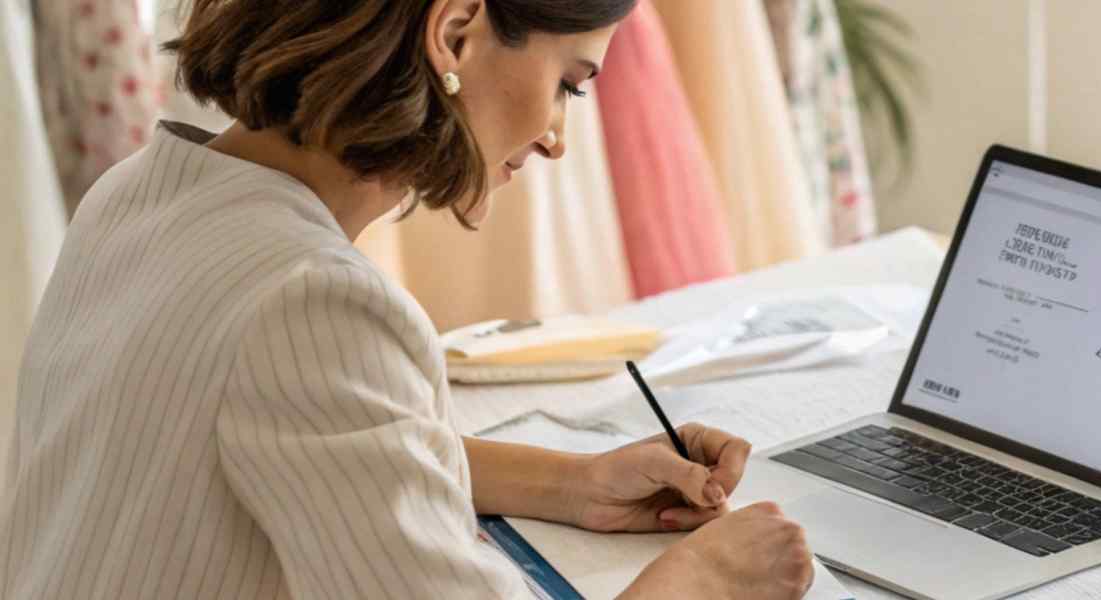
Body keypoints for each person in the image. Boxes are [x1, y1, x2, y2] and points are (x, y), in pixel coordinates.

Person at [0, 1, 814, 598]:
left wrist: (574, 485)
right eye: (569, 83)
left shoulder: (136, 195)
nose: (559, 137)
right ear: (454, 32)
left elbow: (316, 452)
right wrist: (703, 578)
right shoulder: (313, 300)